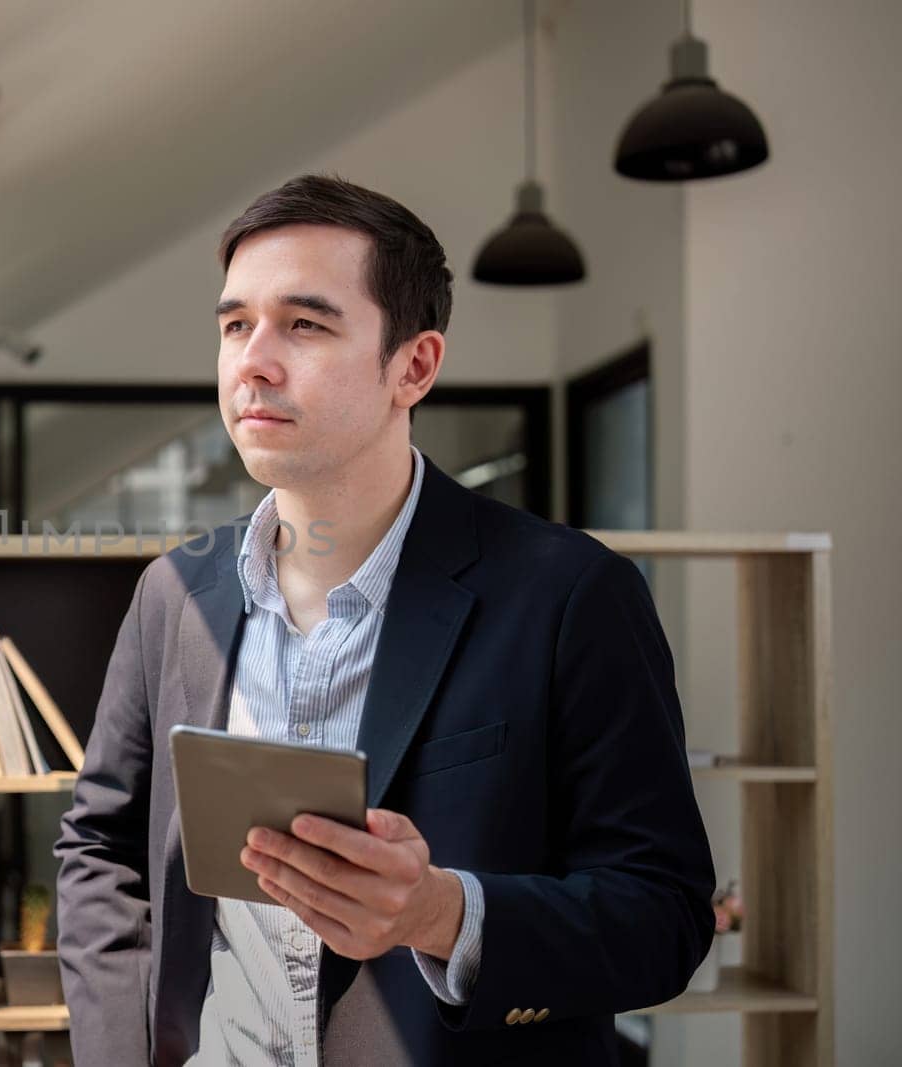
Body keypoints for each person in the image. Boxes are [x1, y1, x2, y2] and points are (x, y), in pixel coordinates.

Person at [52, 174, 715, 1065]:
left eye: (306, 324)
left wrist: (443, 912)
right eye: (235, 324)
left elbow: (664, 916)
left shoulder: (570, 595)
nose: (253, 359)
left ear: (415, 365)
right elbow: (104, 848)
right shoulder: (177, 593)